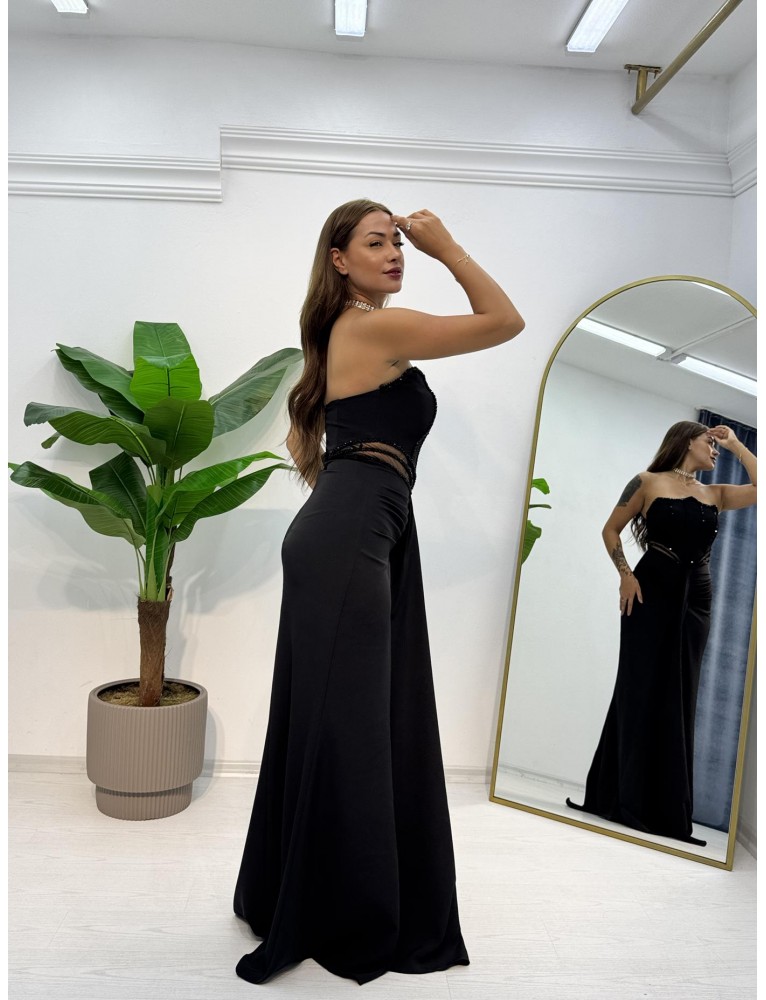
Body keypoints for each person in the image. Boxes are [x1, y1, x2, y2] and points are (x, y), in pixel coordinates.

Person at [233, 200, 524, 984]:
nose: (396, 251)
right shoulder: (368, 328)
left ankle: (306, 892)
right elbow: (505, 321)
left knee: (352, 720)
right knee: (354, 728)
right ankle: (340, 911)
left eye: (400, 240)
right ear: (339, 259)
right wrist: (446, 246)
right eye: (378, 241)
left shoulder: (355, 331)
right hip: (352, 533)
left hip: (366, 530)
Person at [566, 420, 757, 845]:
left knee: (681, 692)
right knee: (638, 687)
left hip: (697, 598)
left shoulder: (715, 493)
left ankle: (666, 810)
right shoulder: (647, 482)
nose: (716, 451)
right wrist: (625, 574)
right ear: (687, 441)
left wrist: (736, 445)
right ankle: (622, 795)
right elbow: (610, 529)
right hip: (650, 589)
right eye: (710, 443)